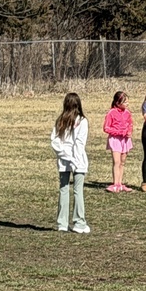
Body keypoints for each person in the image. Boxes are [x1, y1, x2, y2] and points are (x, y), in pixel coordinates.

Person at [51, 92, 90, 233]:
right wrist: (74, 159)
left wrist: (64, 155)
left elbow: (55, 142)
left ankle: (62, 222)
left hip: (65, 161)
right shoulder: (82, 121)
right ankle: (79, 223)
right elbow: (80, 143)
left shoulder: (61, 120)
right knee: (77, 190)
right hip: (76, 161)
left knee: (64, 190)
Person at [103, 91, 134, 192]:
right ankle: (115, 184)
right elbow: (106, 128)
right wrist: (119, 132)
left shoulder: (128, 113)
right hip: (115, 139)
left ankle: (120, 183)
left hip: (125, 140)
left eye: (127, 102)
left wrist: (129, 131)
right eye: (125, 102)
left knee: (122, 162)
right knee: (117, 161)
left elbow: (130, 124)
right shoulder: (111, 113)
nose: (127, 104)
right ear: (117, 103)